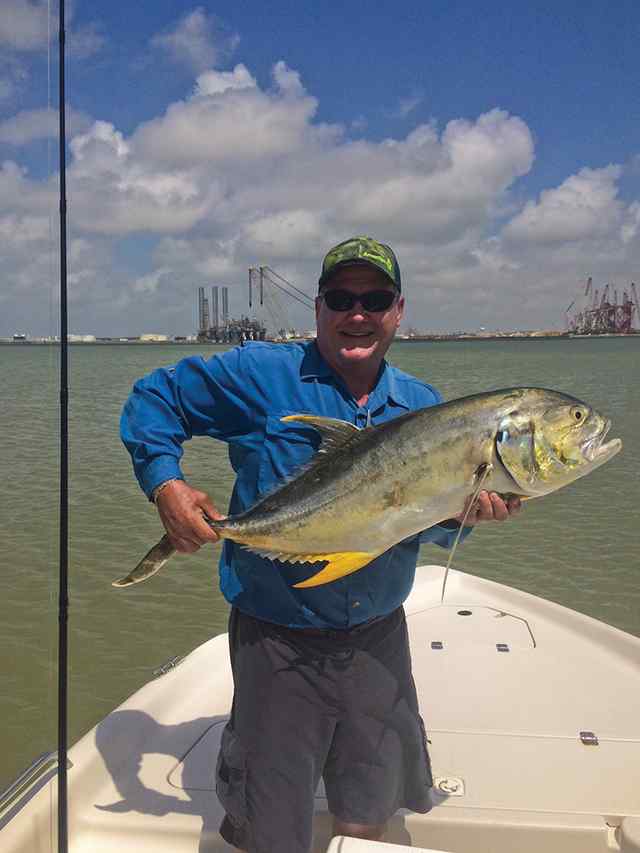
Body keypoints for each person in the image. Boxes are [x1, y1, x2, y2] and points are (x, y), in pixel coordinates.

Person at [121, 236, 521, 853]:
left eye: (375, 298)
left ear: (398, 310)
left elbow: (420, 519)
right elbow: (155, 397)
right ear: (317, 307)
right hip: (277, 645)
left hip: (380, 641)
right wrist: (166, 486)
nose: (356, 313)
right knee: (269, 827)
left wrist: (471, 515)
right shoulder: (262, 376)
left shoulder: (421, 406)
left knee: (368, 811)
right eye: (341, 297)